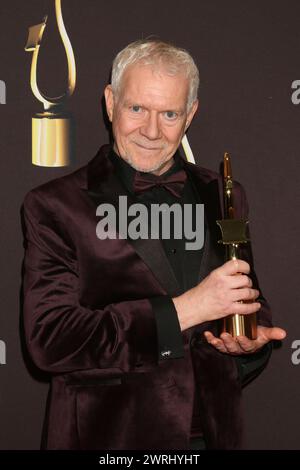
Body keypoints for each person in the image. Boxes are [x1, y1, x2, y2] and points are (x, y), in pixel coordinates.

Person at [22, 39, 286, 450]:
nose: (151, 130)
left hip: (213, 435)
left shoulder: (222, 192)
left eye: (168, 114)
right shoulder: (55, 206)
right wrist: (187, 310)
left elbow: (246, 299)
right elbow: (51, 339)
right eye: (136, 109)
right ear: (110, 103)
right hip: (109, 440)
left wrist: (246, 342)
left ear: (190, 115)